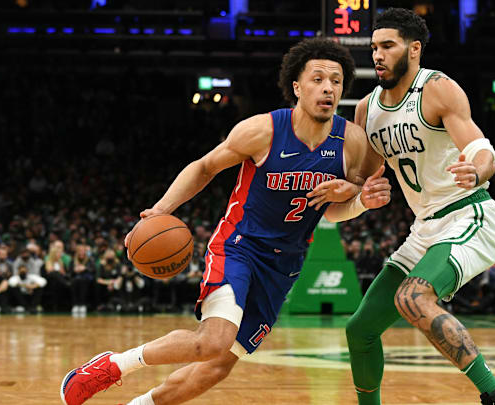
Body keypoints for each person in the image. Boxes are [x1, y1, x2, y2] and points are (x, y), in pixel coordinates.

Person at [60, 37, 391, 405]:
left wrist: (359, 200)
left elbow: (332, 209)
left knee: (218, 366)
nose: (328, 87)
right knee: (212, 341)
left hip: (284, 264)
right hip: (240, 246)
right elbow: (205, 167)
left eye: (336, 80)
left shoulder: (353, 143)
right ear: (297, 87)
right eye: (318, 78)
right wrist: (162, 208)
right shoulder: (262, 130)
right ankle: (113, 365)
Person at [311, 8, 495, 405]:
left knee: (412, 297)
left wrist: (477, 171)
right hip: (424, 229)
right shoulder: (367, 109)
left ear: (414, 49)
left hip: (470, 213)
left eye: (387, 46)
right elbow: (362, 181)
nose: (377, 55)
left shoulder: (438, 88)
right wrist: (352, 192)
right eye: (374, 47)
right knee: (360, 330)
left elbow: (481, 150)